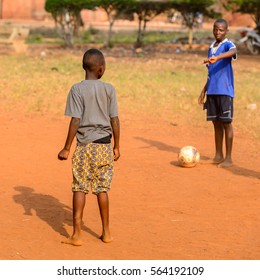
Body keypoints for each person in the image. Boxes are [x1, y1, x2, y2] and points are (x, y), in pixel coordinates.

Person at [58, 48, 120, 246]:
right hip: (104, 146)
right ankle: (107, 232)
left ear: (84, 67)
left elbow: (75, 120)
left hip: (84, 146)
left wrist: (67, 147)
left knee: (79, 188)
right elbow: (115, 120)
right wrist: (117, 146)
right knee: (102, 190)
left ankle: (76, 235)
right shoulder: (109, 89)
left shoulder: (77, 89)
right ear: (101, 70)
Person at [198, 19, 237, 168]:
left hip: (225, 90)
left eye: (221, 30)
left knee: (227, 123)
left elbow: (234, 52)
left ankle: (229, 158)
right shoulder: (210, 48)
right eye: (215, 29)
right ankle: (218, 154)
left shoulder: (228, 44)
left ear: (226, 31)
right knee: (216, 123)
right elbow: (210, 73)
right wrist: (204, 90)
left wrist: (218, 57)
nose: (217, 32)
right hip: (212, 91)